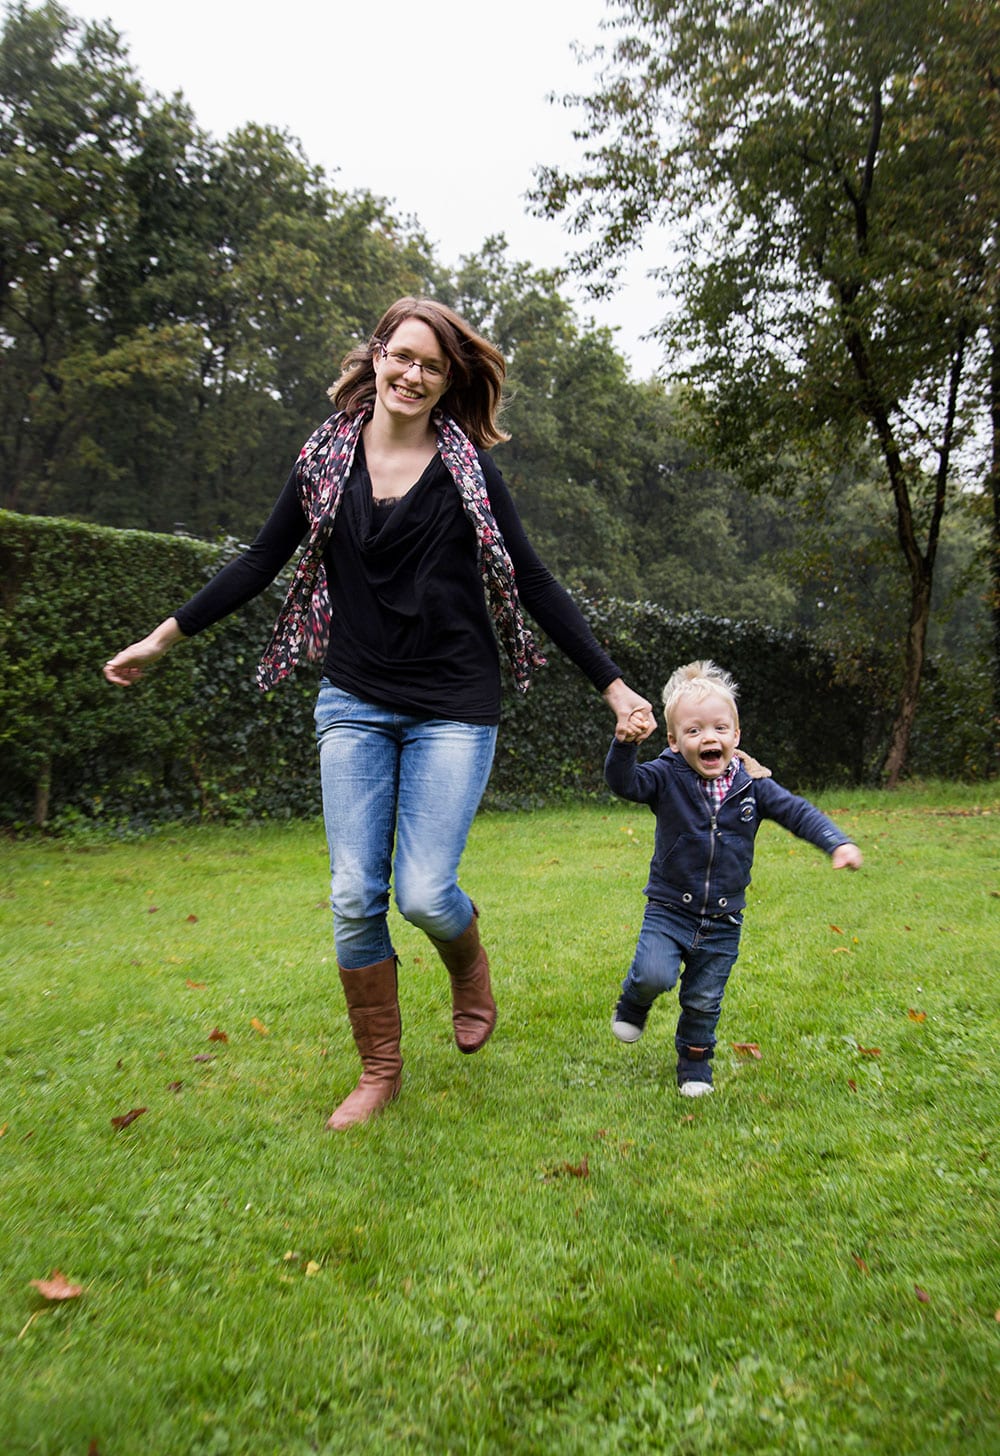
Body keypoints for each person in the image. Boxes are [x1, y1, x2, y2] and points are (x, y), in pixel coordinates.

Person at [104, 296, 656, 1130]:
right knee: (356, 891)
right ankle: (380, 1070)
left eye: (432, 366)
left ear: (447, 382)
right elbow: (260, 558)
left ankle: (467, 963)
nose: (413, 374)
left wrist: (613, 684)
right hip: (355, 697)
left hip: (454, 705)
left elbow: (534, 581)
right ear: (376, 358)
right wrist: (161, 638)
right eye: (402, 356)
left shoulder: (470, 470)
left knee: (427, 893)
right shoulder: (325, 458)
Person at [604, 659, 862, 1097]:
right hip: (669, 907)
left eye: (720, 729)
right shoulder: (666, 777)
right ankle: (634, 1000)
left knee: (704, 1000)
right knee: (653, 973)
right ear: (672, 740)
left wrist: (835, 842)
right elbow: (624, 782)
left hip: (724, 919)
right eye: (694, 731)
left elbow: (796, 812)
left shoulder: (752, 785)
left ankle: (694, 1065)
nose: (709, 738)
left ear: (736, 736)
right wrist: (624, 745)